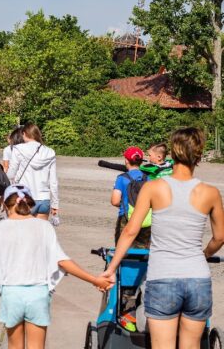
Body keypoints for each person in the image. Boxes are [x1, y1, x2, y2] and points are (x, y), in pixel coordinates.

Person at [103, 127, 224, 349]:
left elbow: (130, 230)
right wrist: (204, 254)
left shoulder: (153, 187)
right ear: (198, 155)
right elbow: (220, 237)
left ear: (173, 154)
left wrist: (111, 269)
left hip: (163, 277)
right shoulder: (211, 193)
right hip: (197, 278)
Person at [0, 184, 113, 349]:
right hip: (38, 294)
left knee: (14, 346)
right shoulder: (44, 227)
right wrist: (95, 280)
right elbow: (62, 261)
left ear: (5, 205)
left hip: (11, 293)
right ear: (30, 205)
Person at [7, 123, 59, 221]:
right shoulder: (50, 152)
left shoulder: (18, 149)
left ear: (24, 133)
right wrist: (55, 204)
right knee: (40, 234)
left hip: (25, 197)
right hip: (44, 199)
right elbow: (53, 181)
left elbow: (11, 174)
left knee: (24, 234)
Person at [111, 146, 150, 248]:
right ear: (141, 162)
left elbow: (115, 201)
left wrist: (125, 204)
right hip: (146, 219)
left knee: (123, 250)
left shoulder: (121, 178)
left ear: (126, 160)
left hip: (126, 217)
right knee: (144, 252)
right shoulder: (148, 178)